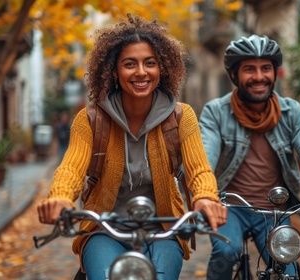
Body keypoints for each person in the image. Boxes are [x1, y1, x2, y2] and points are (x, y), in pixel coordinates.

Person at [37, 14, 227, 280]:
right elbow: (71, 168)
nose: (141, 72)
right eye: (130, 64)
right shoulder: (90, 120)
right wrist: (60, 198)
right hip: (104, 230)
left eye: (150, 63)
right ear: (114, 71)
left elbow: (199, 171)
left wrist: (205, 197)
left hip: (164, 228)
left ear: (161, 69)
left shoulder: (182, 117)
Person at [198, 34, 300, 279]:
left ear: (275, 72)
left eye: (266, 68)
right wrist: (204, 194)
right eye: (249, 69)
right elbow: (205, 155)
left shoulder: (291, 111)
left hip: (275, 211)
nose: (259, 77)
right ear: (234, 75)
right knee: (226, 253)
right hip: (228, 208)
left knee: (286, 269)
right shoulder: (216, 112)